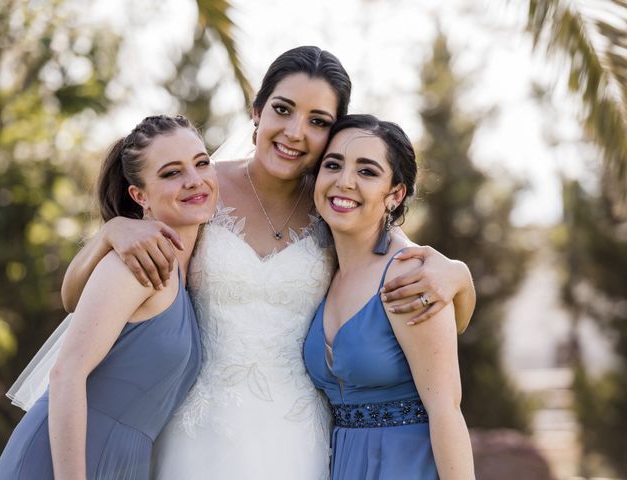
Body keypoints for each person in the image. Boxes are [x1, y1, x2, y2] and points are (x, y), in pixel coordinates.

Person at [59, 47, 476, 480]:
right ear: (256, 110)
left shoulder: (336, 205)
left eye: (318, 122)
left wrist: (459, 276)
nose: (295, 132)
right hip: (200, 431)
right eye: (283, 109)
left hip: (299, 436)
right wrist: (110, 234)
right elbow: (78, 300)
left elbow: (407, 268)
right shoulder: (202, 187)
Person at [0, 115, 215, 479]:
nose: (194, 180)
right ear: (139, 195)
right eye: (172, 172)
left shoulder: (183, 272)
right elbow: (66, 375)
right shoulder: (139, 265)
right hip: (63, 463)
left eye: (202, 163)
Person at [304, 114, 474, 479]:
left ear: (394, 195)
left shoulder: (411, 274)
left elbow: (446, 410)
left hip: (406, 465)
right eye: (333, 165)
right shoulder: (323, 270)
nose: (344, 181)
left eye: (367, 172)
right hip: (345, 464)